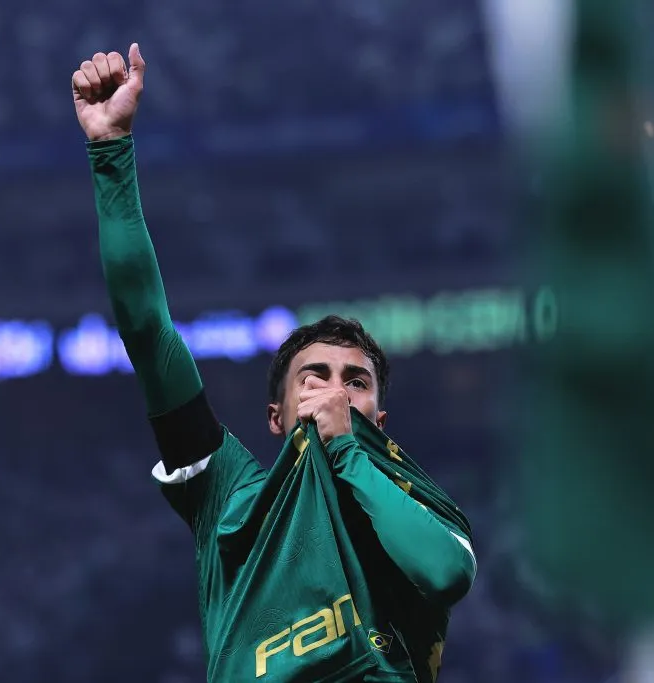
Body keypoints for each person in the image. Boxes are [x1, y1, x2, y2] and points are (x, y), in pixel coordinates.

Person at [73, 43, 477, 682]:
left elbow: (446, 573)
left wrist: (346, 452)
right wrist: (110, 151)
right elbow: (147, 331)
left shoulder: (416, 500)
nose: (334, 391)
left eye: (357, 382)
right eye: (313, 376)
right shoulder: (229, 495)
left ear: (379, 415)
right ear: (275, 415)